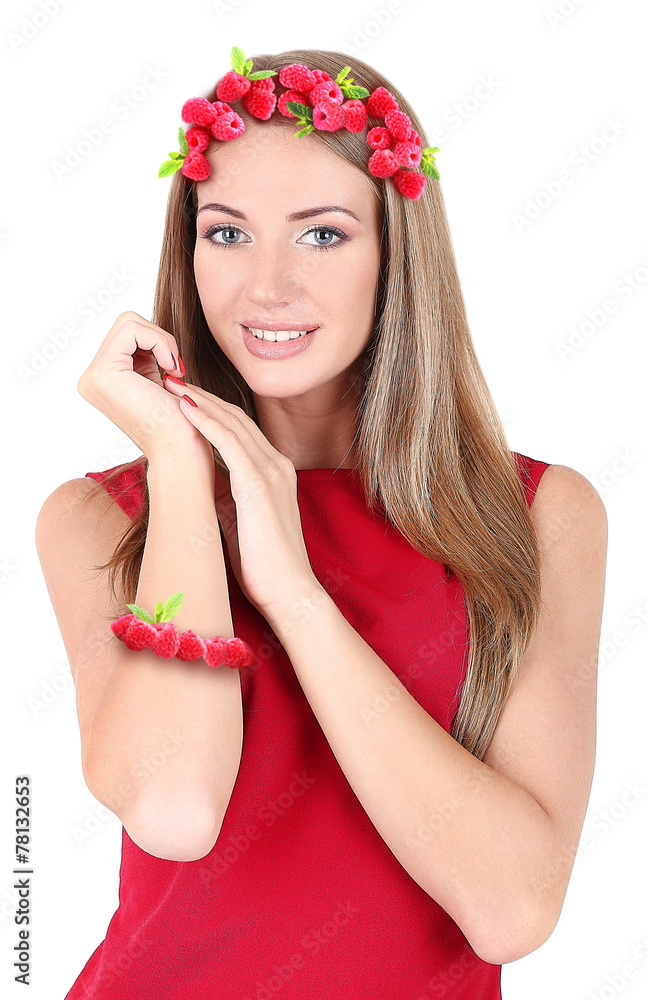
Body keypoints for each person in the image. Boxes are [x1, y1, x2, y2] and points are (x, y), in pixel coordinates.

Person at [35, 46, 607, 999]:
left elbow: (513, 908)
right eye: (225, 235)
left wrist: (294, 594)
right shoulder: (105, 515)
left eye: (322, 235)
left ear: (395, 254)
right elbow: (173, 806)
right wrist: (181, 467)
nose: (266, 287)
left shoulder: (541, 516)